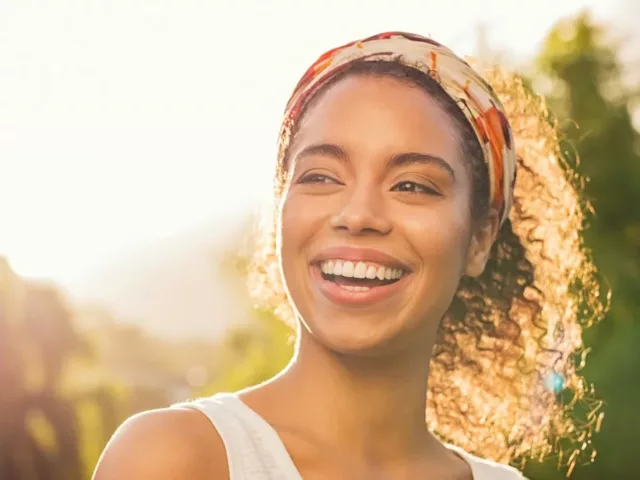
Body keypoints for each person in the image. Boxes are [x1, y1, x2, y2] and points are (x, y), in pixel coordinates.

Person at [93, 31, 604, 479]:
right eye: (321, 177)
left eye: (412, 185)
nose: (358, 214)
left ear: (480, 239)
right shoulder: (175, 460)